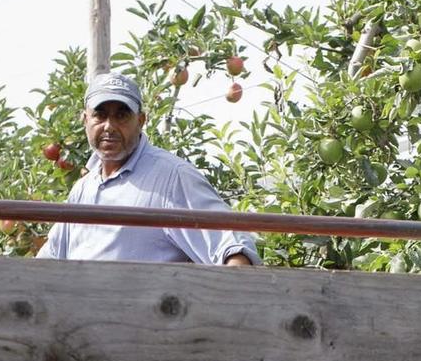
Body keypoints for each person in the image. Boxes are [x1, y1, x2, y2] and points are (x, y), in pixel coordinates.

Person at [36, 74, 259, 267]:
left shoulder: (171, 177)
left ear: (141, 120)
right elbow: (50, 260)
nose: (109, 126)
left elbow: (233, 247)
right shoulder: (83, 189)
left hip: (146, 314)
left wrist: (232, 302)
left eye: (121, 115)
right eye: (100, 115)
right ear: (85, 120)